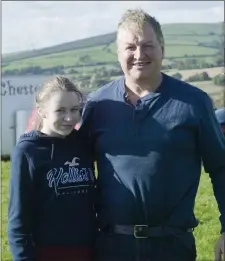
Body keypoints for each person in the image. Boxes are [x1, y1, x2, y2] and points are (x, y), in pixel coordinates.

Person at [79, 8, 225, 261]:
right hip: (111, 247)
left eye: (148, 45)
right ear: (118, 53)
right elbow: (74, 169)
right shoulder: (97, 105)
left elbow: (221, 167)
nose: (139, 54)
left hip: (172, 247)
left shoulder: (194, 103)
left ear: (162, 48)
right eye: (130, 47)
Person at [8, 76, 97, 261]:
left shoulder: (82, 143)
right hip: (48, 253)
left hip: (89, 250)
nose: (69, 118)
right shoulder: (28, 151)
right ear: (42, 111)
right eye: (60, 110)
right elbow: (18, 219)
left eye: (74, 110)